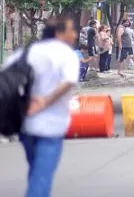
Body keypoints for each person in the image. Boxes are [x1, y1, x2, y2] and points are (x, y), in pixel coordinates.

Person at [6, 15, 80, 197]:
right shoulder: (66, 53)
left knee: (36, 172)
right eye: (72, 30)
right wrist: (45, 101)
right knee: (41, 177)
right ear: (60, 33)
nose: (75, 35)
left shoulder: (26, 52)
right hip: (51, 127)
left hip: (25, 126)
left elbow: (6, 77)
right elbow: (69, 81)